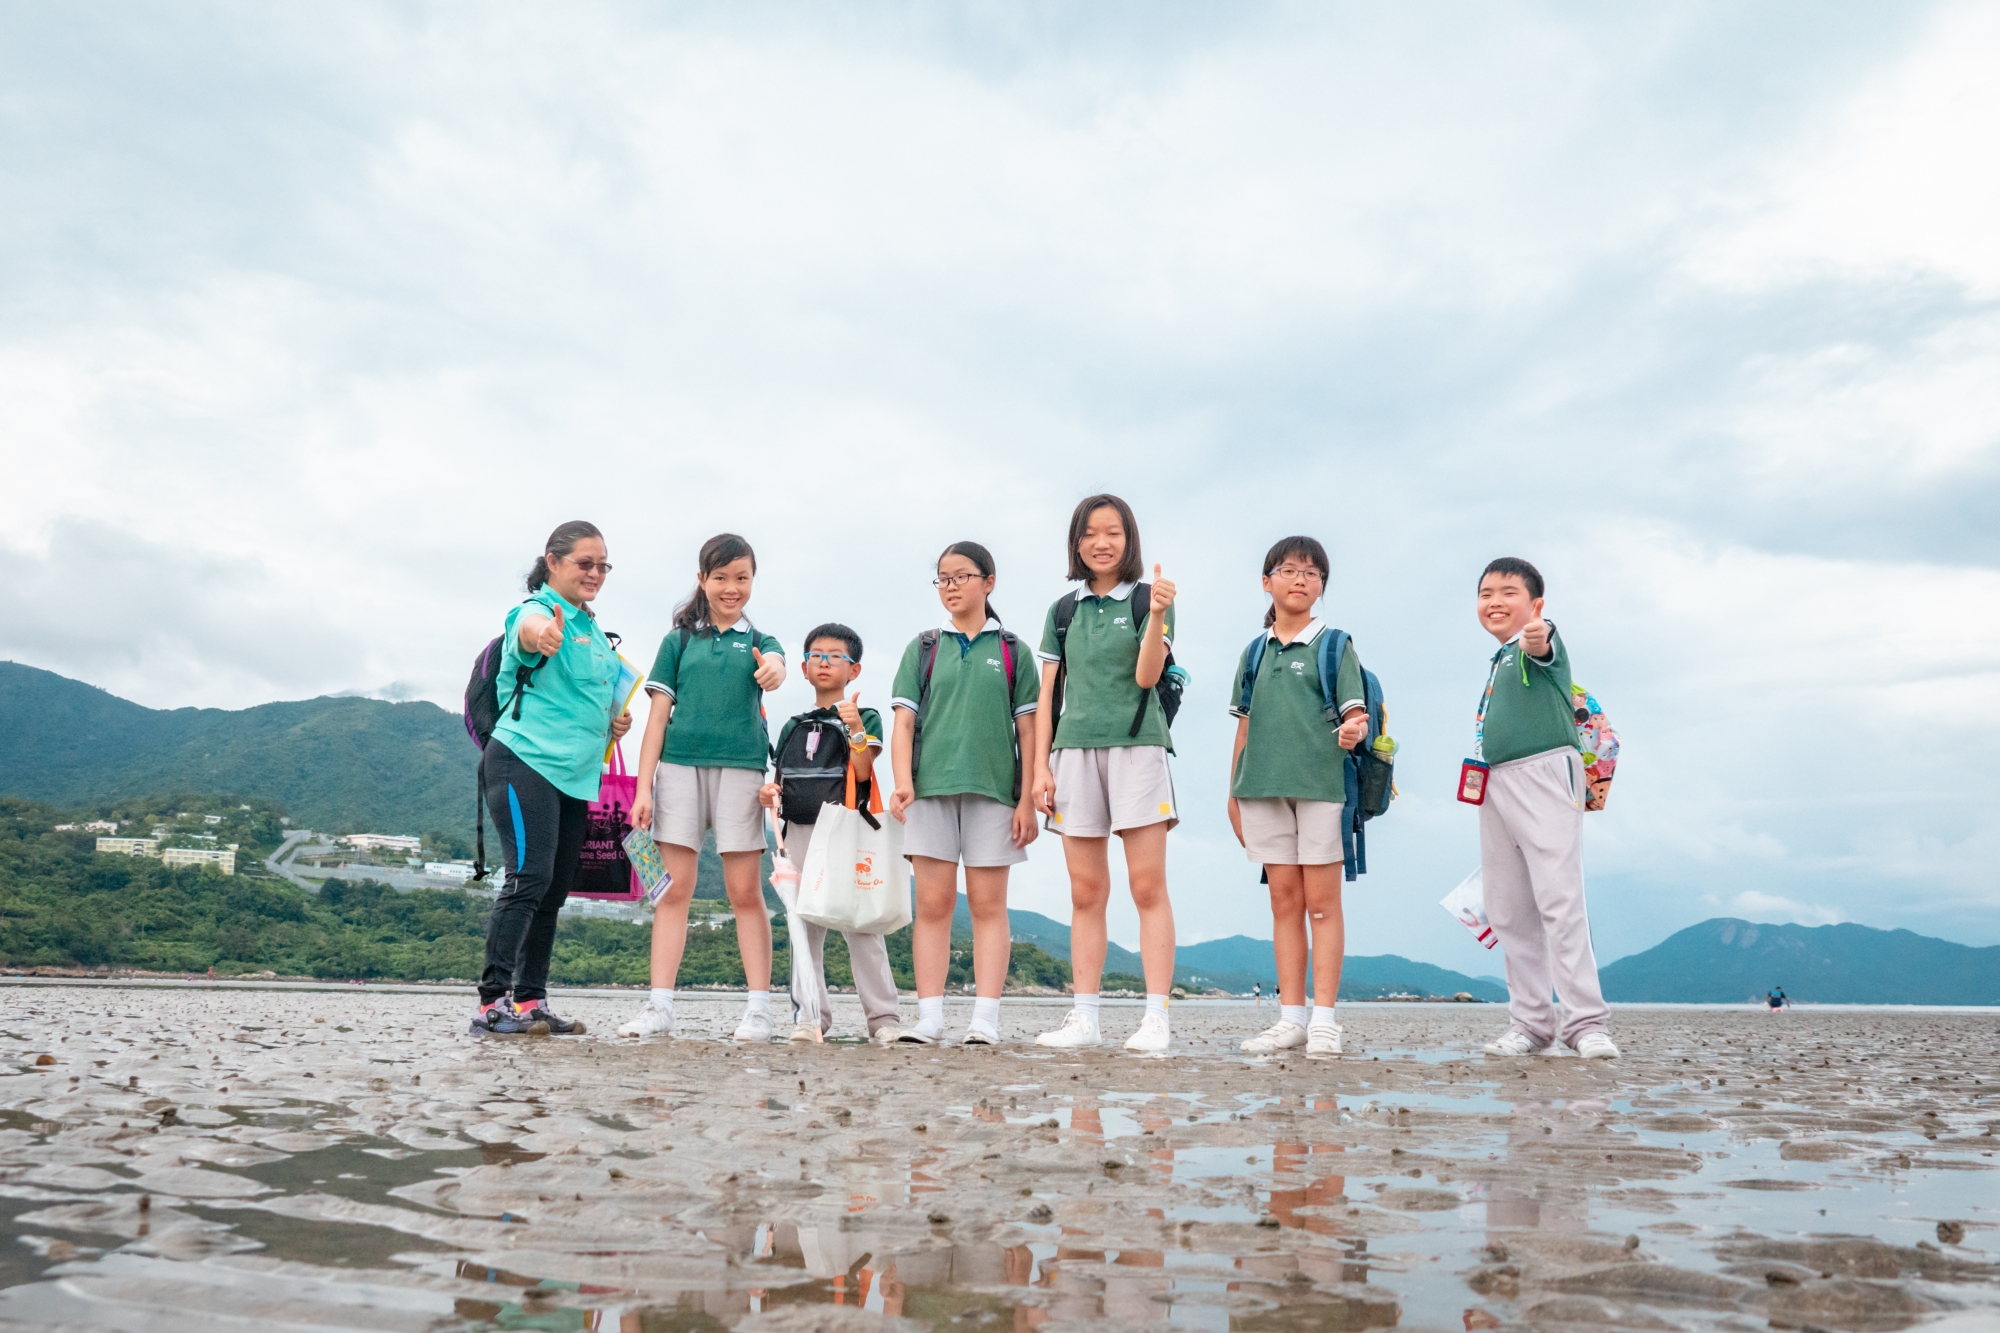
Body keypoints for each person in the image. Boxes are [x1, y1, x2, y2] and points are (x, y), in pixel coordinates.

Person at [618, 534, 786, 1041]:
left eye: (742, 578)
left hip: (741, 768)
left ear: (753, 581)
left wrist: (773, 669)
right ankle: (659, 1007)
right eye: (721, 578)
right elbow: (656, 719)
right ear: (701, 580)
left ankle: (759, 1009)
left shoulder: (762, 640)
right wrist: (643, 788)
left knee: (744, 891)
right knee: (674, 891)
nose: (731, 588)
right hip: (678, 767)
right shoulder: (678, 642)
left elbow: (775, 668)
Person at [1031, 494, 1179, 1054]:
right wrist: (1040, 768)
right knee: (1086, 891)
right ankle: (1085, 1016)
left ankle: (1156, 1017)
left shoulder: (1148, 598)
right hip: (1073, 752)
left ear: (1129, 539)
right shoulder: (1062, 610)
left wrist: (1160, 613)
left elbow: (1147, 677)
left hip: (1138, 748)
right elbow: (1047, 695)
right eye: (1090, 533)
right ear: (1076, 542)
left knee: (1147, 886)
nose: (1101, 542)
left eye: (1112, 532)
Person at [473, 520, 633, 1035]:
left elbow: (583, 694)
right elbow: (528, 630)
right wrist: (540, 635)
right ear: (553, 561)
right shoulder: (539, 610)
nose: (595, 573)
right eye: (585, 563)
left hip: (575, 777)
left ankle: (531, 1001)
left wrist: (612, 721)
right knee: (527, 879)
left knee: (554, 890)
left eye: (602, 565)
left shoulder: (593, 631)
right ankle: (491, 1002)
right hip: (524, 762)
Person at [887, 542, 1040, 1045]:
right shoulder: (924, 646)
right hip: (930, 789)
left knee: (988, 906)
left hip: (995, 792)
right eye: (943, 579)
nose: (951, 587)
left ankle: (985, 1020)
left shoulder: (1014, 651)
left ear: (989, 582)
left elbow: (1029, 733)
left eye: (961, 576)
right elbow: (904, 722)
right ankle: (928, 1018)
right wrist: (903, 780)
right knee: (932, 905)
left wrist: (1025, 799)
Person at [1227, 537, 1369, 1058]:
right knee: (1283, 902)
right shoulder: (1254, 652)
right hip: (1260, 788)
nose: (1301, 580)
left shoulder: (1335, 645)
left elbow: (1356, 712)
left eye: (1312, 574)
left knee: (1323, 906)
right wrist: (1233, 791)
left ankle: (1325, 1020)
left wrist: (1355, 728)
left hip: (1322, 788)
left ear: (1321, 588)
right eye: (1288, 570)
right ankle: (1291, 1019)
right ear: (1267, 581)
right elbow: (1244, 726)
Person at [1472, 557, 1619, 1060]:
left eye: (1508, 592)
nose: (1494, 601)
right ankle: (1532, 1023)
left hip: (1544, 774)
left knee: (1560, 900)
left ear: (1535, 604)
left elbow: (1543, 640)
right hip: (1495, 783)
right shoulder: (1498, 661)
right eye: (1486, 592)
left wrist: (1538, 635)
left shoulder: (1538, 647)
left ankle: (1586, 1024)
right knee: (1509, 907)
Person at [760, 623, 904, 1045]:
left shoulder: (865, 716)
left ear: (854, 669)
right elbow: (779, 780)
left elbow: (863, 769)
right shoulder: (792, 725)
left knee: (862, 925)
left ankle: (883, 1020)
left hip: (847, 831)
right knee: (803, 927)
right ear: (803, 668)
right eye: (816, 655)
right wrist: (769, 792)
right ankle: (809, 1018)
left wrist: (855, 724)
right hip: (799, 831)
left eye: (835, 655)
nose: (824, 662)